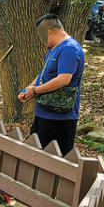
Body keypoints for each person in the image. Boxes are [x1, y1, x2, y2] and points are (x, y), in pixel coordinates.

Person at [18, 14, 85, 156]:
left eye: (40, 35)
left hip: (60, 117)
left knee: (55, 159)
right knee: (37, 153)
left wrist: (35, 91)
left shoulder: (69, 49)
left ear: (48, 31)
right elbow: (44, 73)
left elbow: (63, 79)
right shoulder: (53, 48)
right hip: (44, 112)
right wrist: (28, 89)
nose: (39, 39)